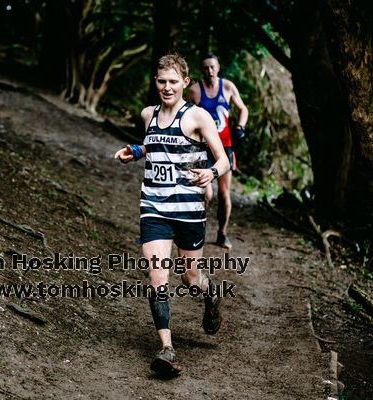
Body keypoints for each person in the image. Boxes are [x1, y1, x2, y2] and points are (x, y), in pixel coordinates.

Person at [114, 54, 229, 375]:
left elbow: (223, 159)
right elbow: (154, 145)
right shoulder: (147, 114)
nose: (167, 87)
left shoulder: (198, 117)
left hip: (188, 211)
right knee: (156, 276)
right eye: (162, 81)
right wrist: (135, 151)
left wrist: (211, 173)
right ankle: (166, 348)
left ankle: (210, 293)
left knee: (190, 278)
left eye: (173, 82)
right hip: (154, 207)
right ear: (156, 82)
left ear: (185, 84)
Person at [189, 53, 248, 250]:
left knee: (224, 193)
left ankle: (222, 233)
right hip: (203, 149)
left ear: (218, 67)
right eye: (205, 68)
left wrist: (240, 126)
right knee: (206, 193)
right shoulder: (195, 91)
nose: (210, 71)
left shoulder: (228, 87)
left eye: (212, 67)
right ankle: (198, 229)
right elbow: (186, 118)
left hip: (225, 148)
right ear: (201, 70)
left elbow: (243, 109)